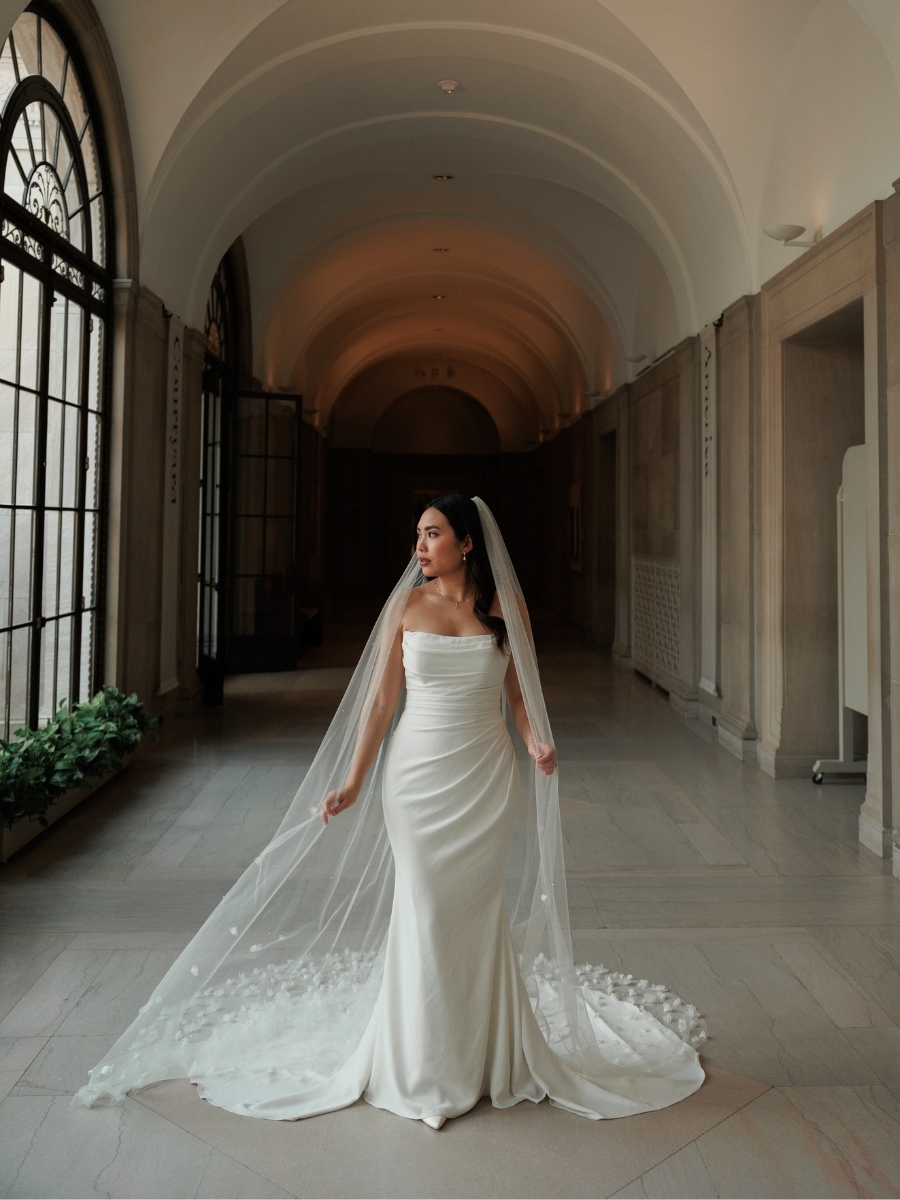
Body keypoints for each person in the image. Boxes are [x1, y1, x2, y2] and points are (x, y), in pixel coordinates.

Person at [74, 497, 705, 1127]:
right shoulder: (405, 608)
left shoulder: (507, 612)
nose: (420, 548)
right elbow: (380, 703)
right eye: (417, 536)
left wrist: (536, 739)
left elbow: (517, 696)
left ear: (467, 543)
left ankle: (486, 1055)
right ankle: (422, 1063)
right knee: (425, 908)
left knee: (476, 912)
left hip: (484, 780)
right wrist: (350, 781)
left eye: (432, 535)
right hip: (415, 779)